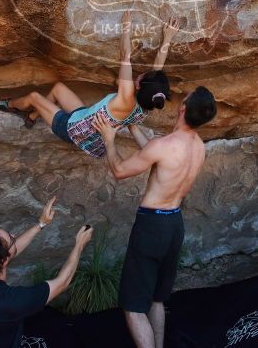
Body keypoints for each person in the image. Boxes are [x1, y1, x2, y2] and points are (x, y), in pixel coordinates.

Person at [93, 86, 217, 348]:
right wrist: (131, 126)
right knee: (157, 299)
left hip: (152, 227)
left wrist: (108, 137)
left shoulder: (164, 146)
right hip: (174, 224)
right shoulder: (198, 146)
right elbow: (158, 157)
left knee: (133, 305)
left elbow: (120, 171)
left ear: (183, 108)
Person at [0, 11, 180, 158]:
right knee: (58, 89)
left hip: (69, 129)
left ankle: (8, 104)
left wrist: (126, 28)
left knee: (34, 96)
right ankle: (34, 115)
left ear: (140, 85)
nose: (140, 75)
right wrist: (168, 39)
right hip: (86, 125)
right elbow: (156, 74)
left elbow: (125, 56)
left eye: (142, 76)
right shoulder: (146, 107)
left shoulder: (126, 94)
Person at [0, 197, 93, 348]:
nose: (14, 235)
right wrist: (79, 245)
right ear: (2, 261)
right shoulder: (10, 301)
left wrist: (41, 224)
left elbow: (9, 253)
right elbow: (62, 282)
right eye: (11, 239)